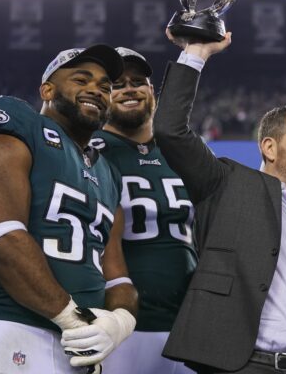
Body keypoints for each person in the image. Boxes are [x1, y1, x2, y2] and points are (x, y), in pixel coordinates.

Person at [153, 30, 286, 374]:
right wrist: (197, 52)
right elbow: (171, 130)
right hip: (243, 365)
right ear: (269, 147)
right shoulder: (226, 185)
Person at [0, 45, 138, 373]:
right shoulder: (19, 122)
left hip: (76, 346)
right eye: (82, 79)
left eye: (106, 87)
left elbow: (117, 274)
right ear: (47, 89)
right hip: (8, 325)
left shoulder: (108, 172)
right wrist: (72, 319)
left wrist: (118, 323)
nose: (96, 89)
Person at [91, 47, 197, 374]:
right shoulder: (88, 152)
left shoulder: (183, 153)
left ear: (152, 91)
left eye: (138, 81)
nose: (129, 89)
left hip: (189, 327)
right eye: (117, 84)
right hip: (122, 326)